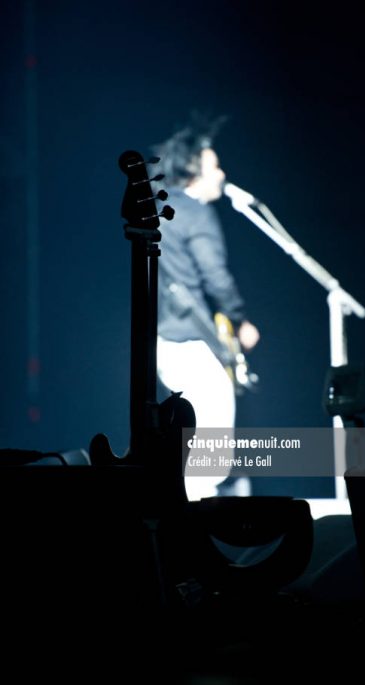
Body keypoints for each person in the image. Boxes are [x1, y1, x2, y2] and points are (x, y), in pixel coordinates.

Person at [150, 119, 259, 500]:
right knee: (212, 437)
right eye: (214, 166)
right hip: (191, 343)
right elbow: (216, 276)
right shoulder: (196, 213)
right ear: (194, 171)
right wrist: (241, 319)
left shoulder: (161, 208)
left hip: (164, 342)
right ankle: (195, 521)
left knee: (192, 436)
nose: (222, 174)